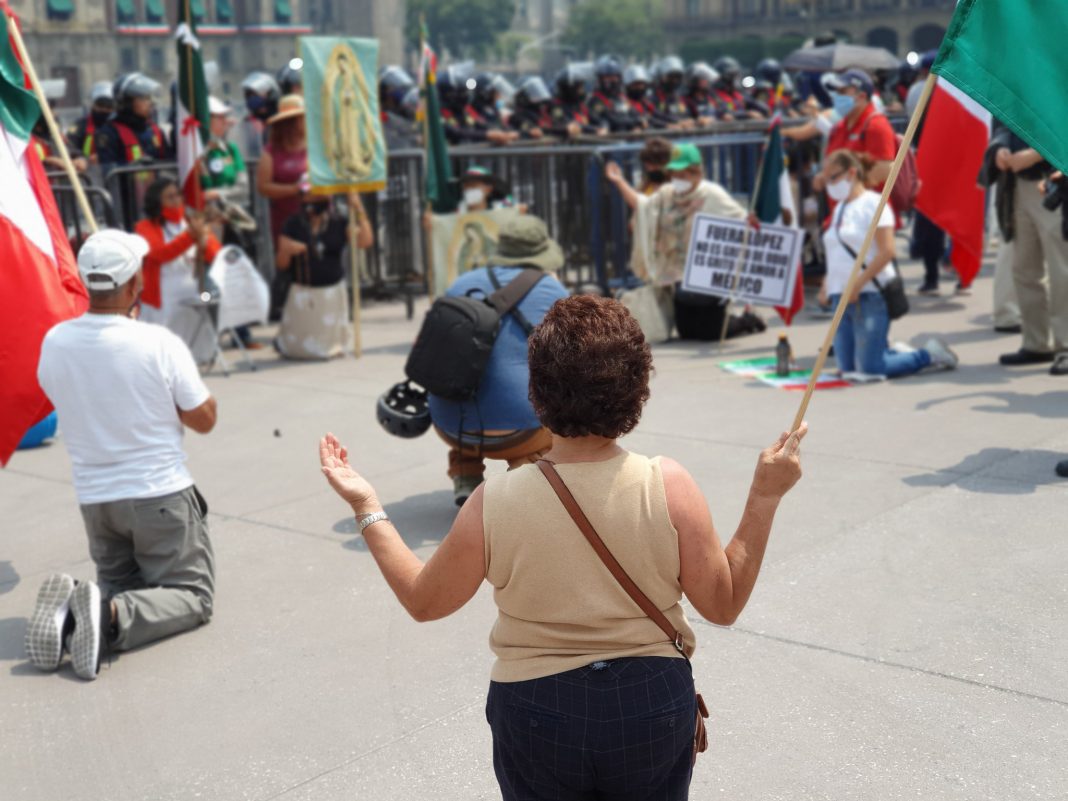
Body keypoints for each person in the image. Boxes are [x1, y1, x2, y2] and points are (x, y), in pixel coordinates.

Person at [319, 293, 806, 799]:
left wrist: (367, 506)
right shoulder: (668, 485)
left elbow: (424, 601)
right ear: (637, 390)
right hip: (650, 701)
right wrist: (764, 495)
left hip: (535, 706)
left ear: (536, 394)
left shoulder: (495, 501)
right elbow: (722, 605)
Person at [30, 229, 217, 681]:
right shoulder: (158, 343)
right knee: (192, 596)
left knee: (124, 588)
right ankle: (104, 614)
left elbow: (57, 395)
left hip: (97, 502)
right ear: (135, 284)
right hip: (159, 496)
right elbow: (205, 418)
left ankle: (78, 616)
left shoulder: (55, 341)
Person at [425, 216, 569, 505]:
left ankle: (466, 475)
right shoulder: (552, 291)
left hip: (450, 426)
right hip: (519, 433)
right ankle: (525, 472)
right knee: (561, 400)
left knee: (468, 386)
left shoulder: (461, 283)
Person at [818, 150, 958, 378]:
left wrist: (858, 284)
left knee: (871, 369)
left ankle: (928, 355)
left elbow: (887, 251)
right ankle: (889, 351)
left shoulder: (874, 203)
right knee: (847, 368)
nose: (829, 184)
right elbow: (835, 251)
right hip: (840, 296)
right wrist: (827, 284)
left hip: (869, 294)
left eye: (832, 178)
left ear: (851, 173)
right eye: (826, 179)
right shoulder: (840, 209)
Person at [606, 142, 760, 338]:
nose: (678, 179)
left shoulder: (712, 195)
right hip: (678, 278)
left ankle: (745, 321)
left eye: (683, 175)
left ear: (696, 173)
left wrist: (750, 221)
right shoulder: (666, 195)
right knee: (687, 331)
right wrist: (618, 181)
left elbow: (740, 221)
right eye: (674, 174)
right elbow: (642, 206)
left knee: (710, 332)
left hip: (708, 279)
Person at [994, 135, 1068, 374]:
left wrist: (1036, 153)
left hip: (1054, 183)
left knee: (1061, 272)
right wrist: (1000, 148)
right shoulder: (1017, 95)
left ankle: (1065, 346)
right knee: (1024, 270)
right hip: (1019, 184)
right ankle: (1036, 342)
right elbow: (1005, 123)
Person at [134, 177, 222, 364]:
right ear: (158, 201)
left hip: (194, 293)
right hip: (163, 299)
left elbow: (215, 255)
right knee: (164, 357)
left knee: (198, 355)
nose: (176, 201)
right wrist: (191, 236)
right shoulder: (144, 227)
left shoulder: (192, 221)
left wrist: (203, 240)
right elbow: (160, 253)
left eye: (178, 195)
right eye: (170, 197)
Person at [273, 194, 373, 359]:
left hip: (331, 291)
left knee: (331, 345)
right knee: (297, 347)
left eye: (316, 200)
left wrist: (358, 209)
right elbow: (282, 264)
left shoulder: (339, 222)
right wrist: (286, 250)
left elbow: (365, 241)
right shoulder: (292, 224)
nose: (311, 206)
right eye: (307, 200)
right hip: (302, 290)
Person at [817, 70, 895, 197]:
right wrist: (825, 177)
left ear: (862, 96)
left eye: (842, 92)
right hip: (841, 211)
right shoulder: (839, 127)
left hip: (868, 212)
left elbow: (883, 171)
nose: (836, 96)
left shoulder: (876, 125)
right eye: (836, 92)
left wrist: (844, 184)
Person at [255, 94, 307, 248]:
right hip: (285, 219)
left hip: (315, 216)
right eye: (301, 118)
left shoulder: (314, 147)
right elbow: (263, 186)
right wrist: (293, 189)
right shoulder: (270, 152)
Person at [94, 72, 169, 172]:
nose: (151, 103)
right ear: (127, 102)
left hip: (156, 186)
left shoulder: (156, 131)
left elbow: (169, 163)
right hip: (125, 187)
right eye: (144, 98)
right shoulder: (108, 133)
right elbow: (108, 171)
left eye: (150, 98)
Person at [588, 55, 643, 132]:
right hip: (610, 139)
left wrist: (638, 123)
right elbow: (611, 120)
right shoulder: (596, 100)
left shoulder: (622, 98)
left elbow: (634, 114)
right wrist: (633, 122)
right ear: (601, 79)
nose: (613, 80)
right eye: (608, 77)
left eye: (615, 76)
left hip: (628, 138)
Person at [67, 81, 114, 165]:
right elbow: (70, 146)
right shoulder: (79, 125)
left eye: (108, 106)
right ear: (93, 104)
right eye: (100, 105)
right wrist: (83, 158)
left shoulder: (119, 127)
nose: (104, 109)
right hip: (87, 172)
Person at [238, 71, 280, 160]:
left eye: (256, 94)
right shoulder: (247, 122)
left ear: (271, 95)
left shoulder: (280, 120)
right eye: (249, 95)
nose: (252, 98)